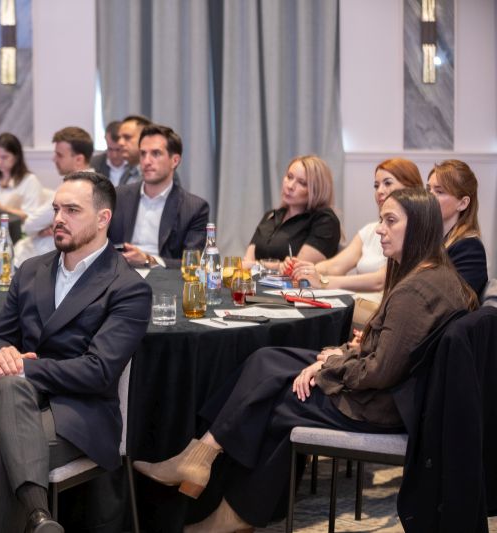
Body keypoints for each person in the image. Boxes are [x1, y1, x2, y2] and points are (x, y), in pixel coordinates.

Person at [133, 188, 478, 532]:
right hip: (392, 391)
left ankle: (222, 499)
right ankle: (205, 463)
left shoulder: (415, 290)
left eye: (390, 221)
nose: (379, 229)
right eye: (381, 220)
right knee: (266, 361)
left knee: (275, 402)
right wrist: (340, 355)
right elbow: (390, 352)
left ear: (418, 226)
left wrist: (329, 366)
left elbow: (379, 371)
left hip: (381, 405)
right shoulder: (436, 275)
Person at [0, 171, 151, 532]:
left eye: (72, 210)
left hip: (78, 414)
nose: (59, 218)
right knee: (8, 386)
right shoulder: (31, 270)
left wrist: (20, 368)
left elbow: (98, 371)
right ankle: (40, 517)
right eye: (56, 209)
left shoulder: (127, 287)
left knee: (5, 451)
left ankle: (39, 517)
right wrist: (1, 357)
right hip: (9, 405)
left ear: (103, 218)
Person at [289, 158, 423, 292]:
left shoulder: (416, 232)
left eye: (387, 183)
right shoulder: (370, 230)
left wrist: (323, 281)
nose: (379, 191)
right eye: (376, 186)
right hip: (359, 300)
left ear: (410, 188)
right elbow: (336, 266)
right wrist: (304, 270)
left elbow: (380, 281)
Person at [108, 124, 209, 268]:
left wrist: (148, 260)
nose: (146, 161)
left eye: (155, 154)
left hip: (163, 276)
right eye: (143, 154)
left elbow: (193, 263)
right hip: (120, 272)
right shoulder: (118, 196)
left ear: (174, 160)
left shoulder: (194, 208)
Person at [14, 126, 93, 266]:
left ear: (79, 159)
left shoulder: (73, 188)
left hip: (50, 260)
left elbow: (29, 226)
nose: (54, 159)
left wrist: (44, 228)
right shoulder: (96, 185)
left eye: (60, 155)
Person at [243, 155, 340, 268]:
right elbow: (247, 261)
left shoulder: (325, 220)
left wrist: (255, 265)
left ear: (316, 190)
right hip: (256, 279)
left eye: (302, 183)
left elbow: (298, 268)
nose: (290, 186)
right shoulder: (271, 215)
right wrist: (262, 266)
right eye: (289, 177)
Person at [426, 159, 488, 295]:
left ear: (463, 203)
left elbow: (454, 301)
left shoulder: (470, 248)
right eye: (428, 189)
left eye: (439, 191)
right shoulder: (432, 240)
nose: (429, 196)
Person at [0, 132, 44, 221]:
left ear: (16, 157)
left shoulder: (30, 180)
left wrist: (1, 207)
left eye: (4, 157)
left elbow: (31, 217)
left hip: (16, 228)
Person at [116, 115, 152, 186]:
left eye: (127, 137)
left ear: (145, 139)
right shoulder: (126, 173)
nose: (120, 142)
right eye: (119, 138)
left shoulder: (157, 174)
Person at [91, 120, 127, 187]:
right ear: (105, 140)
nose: (114, 155)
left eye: (118, 150)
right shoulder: (94, 164)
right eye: (110, 149)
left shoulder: (135, 167)